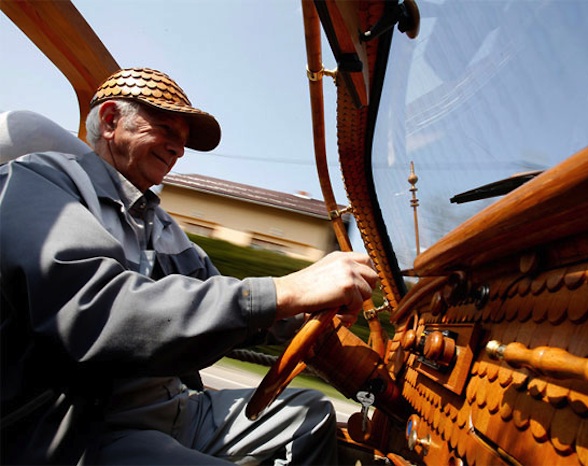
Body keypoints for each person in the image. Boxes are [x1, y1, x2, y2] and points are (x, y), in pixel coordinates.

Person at [0, 67, 378, 465]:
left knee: (311, 412)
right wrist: (285, 291)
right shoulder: (37, 183)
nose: (178, 150)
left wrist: (302, 317)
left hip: (176, 407)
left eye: (182, 143)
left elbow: (217, 294)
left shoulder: (158, 223)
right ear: (111, 121)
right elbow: (99, 310)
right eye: (166, 130)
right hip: (94, 424)